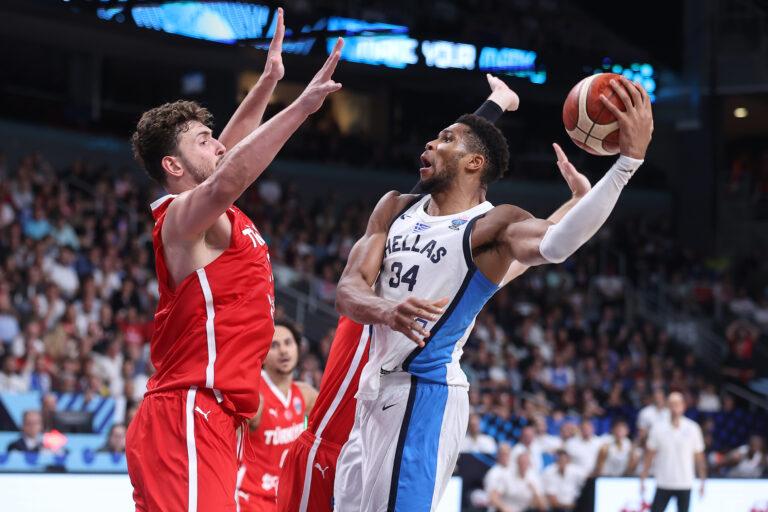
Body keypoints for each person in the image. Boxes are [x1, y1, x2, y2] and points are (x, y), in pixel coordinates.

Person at [334, 76, 652, 511]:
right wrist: (386, 311)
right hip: (372, 394)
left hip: (425, 394)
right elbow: (347, 290)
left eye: (446, 139)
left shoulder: (495, 225)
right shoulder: (394, 207)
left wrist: (626, 164)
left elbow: (556, 244)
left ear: (474, 163)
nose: (430, 143)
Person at [278, 76, 593, 512]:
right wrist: (494, 104)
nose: (431, 145)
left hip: (391, 410)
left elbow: (513, 253)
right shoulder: (383, 264)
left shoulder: (446, 270)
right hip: (350, 424)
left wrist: (578, 204)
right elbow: (435, 188)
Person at [125, 8, 346, 510]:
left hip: (219, 417)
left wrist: (269, 81)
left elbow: (228, 157)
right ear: (173, 165)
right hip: (188, 410)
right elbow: (231, 173)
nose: (218, 145)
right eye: (203, 141)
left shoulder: (217, 211)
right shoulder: (180, 218)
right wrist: (300, 108)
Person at [237, 321, 317, 512]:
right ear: (262, 355)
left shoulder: (305, 394)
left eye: (288, 343)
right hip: (250, 499)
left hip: (286, 499)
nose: (283, 351)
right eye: (274, 345)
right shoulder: (255, 396)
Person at [641, 392, 706, 512]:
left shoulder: (693, 428)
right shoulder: (658, 428)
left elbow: (699, 457)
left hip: (685, 482)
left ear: (683, 406)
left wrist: (703, 481)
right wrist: (643, 478)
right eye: (671, 404)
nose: (674, 407)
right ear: (667, 406)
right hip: (663, 482)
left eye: (677, 404)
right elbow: (649, 456)